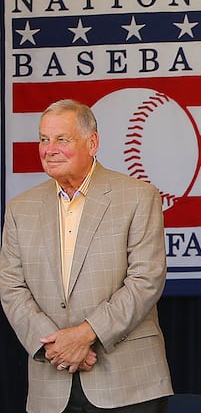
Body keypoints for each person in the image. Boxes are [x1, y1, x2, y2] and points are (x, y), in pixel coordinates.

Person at [0, 99, 173, 413]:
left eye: (61, 139)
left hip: (127, 382)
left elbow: (145, 280)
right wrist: (55, 346)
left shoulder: (137, 196)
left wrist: (85, 335)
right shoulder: (19, 208)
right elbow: (12, 288)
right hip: (51, 385)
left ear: (92, 143)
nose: (49, 149)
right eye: (43, 139)